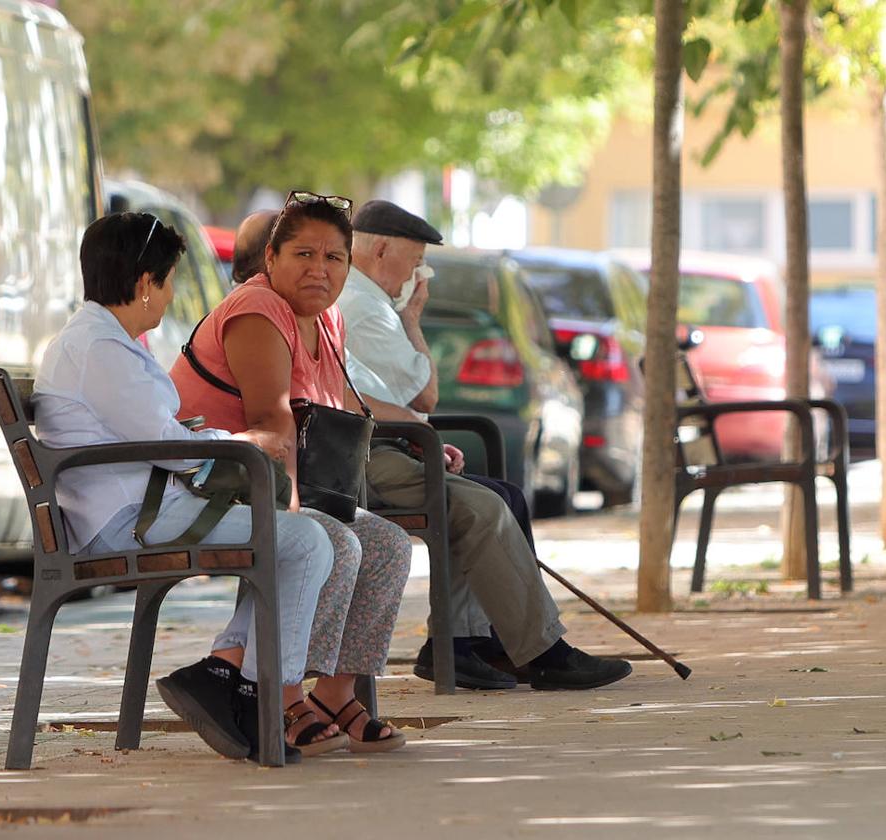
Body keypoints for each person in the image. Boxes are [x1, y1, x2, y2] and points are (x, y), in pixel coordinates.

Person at [33, 212, 338, 763]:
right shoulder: (100, 348)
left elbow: (158, 434)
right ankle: (256, 694)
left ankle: (229, 677)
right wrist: (241, 441)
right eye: (169, 281)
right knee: (307, 542)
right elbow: (165, 445)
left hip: (134, 507)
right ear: (147, 283)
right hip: (125, 520)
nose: (171, 295)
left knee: (293, 537)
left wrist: (224, 440)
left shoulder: (102, 340)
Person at [341, 199, 634, 692]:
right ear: (381, 249)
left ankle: (467, 645)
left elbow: (390, 399)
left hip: (383, 444)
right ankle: (539, 651)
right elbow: (423, 394)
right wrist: (413, 320)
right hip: (363, 457)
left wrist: (418, 430)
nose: (419, 273)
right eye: (415, 261)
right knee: (484, 508)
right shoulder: (363, 305)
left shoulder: (365, 304)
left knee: (496, 498)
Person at [171, 191, 410, 754]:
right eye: (303, 254)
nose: (318, 269)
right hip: (210, 482)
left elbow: (337, 410)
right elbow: (271, 425)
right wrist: (304, 511)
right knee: (333, 542)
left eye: (334, 258)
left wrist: (418, 439)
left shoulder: (328, 319)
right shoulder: (258, 310)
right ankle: (280, 693)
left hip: (271, 483)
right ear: (271, 258)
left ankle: (334, 691)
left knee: (389, 545)